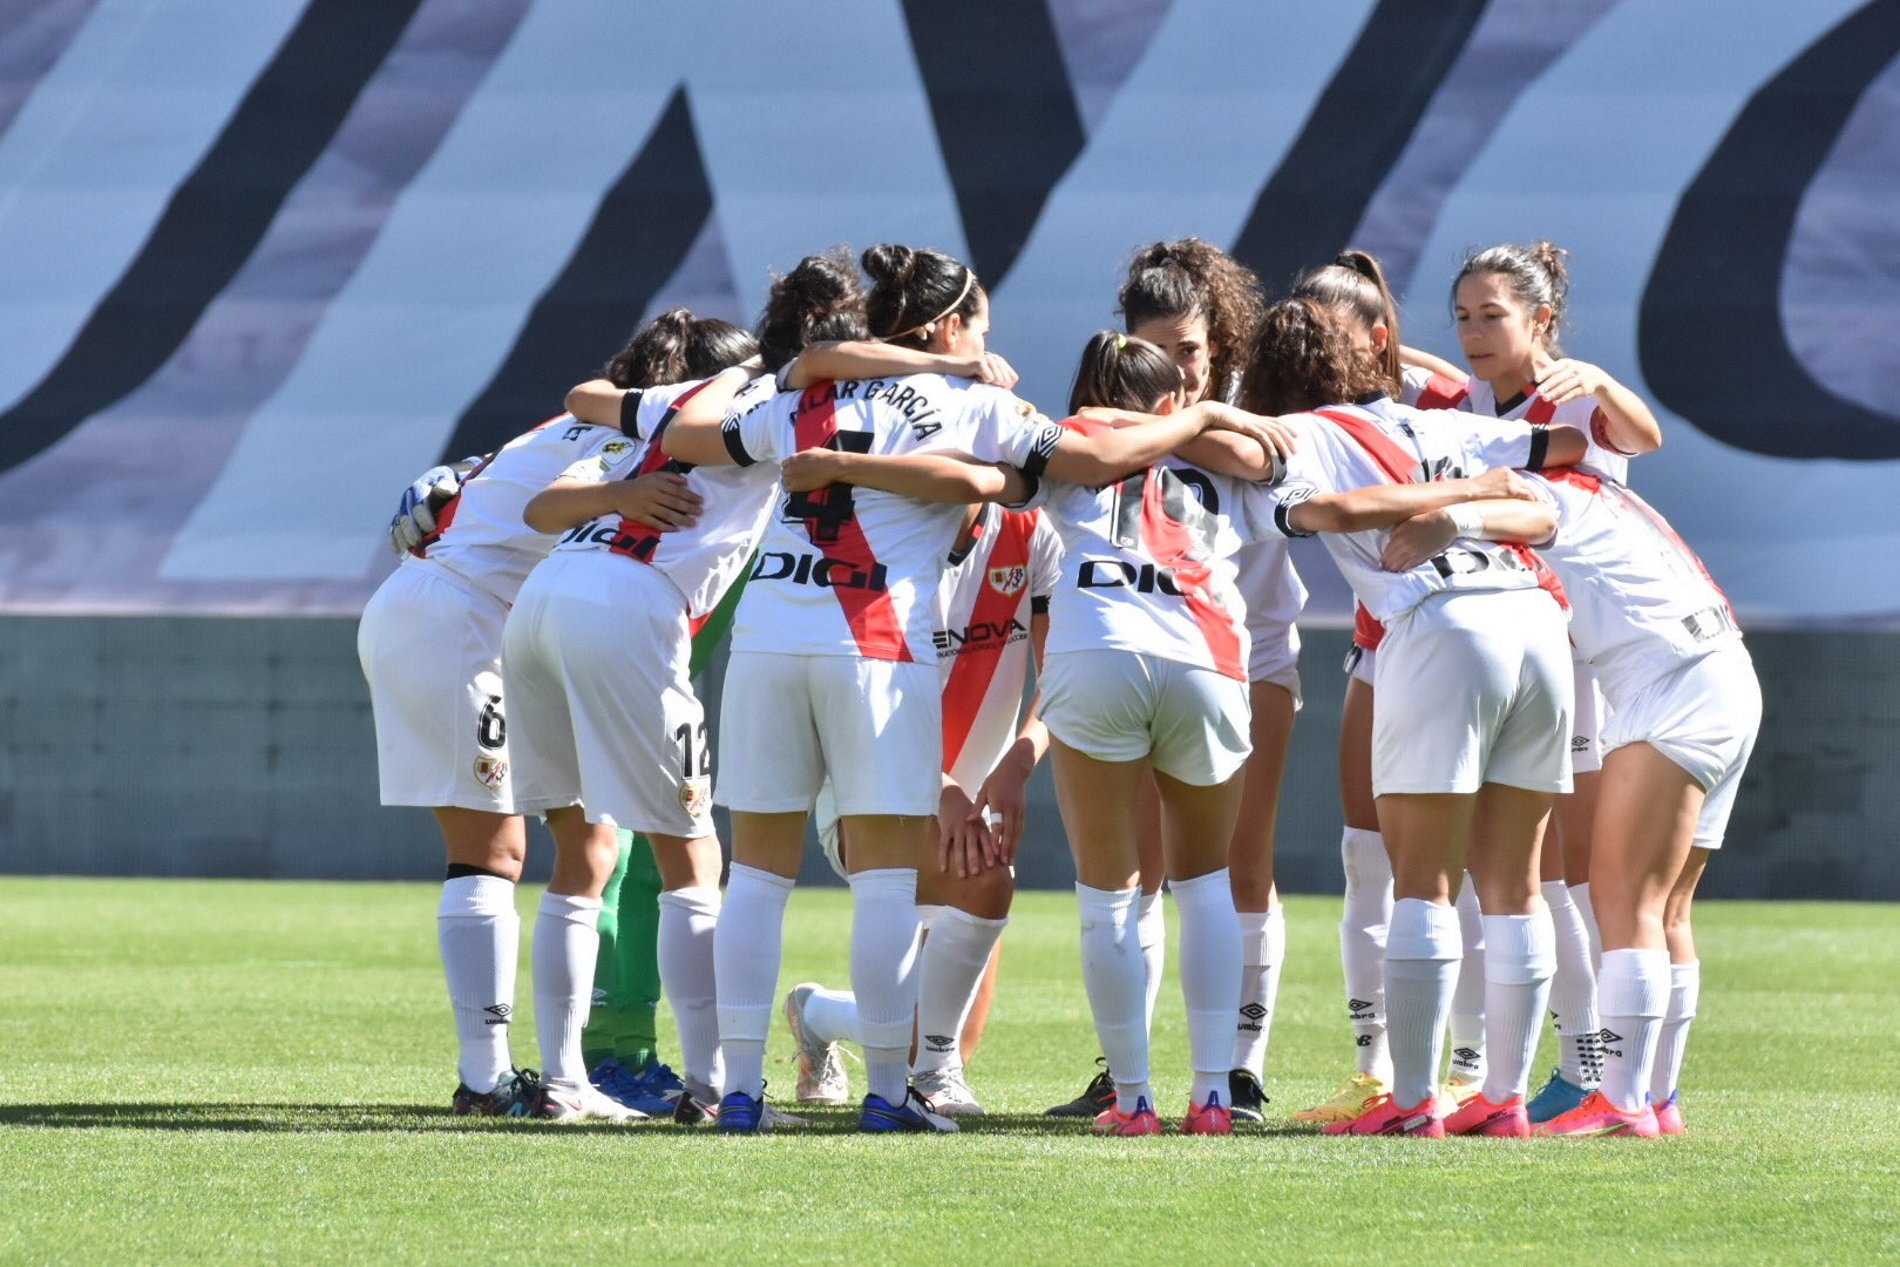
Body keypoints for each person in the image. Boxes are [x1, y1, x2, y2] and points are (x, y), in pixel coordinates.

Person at [661, 244, 1280, 1134]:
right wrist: (1192, 418)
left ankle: (739, 1093)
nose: (993, 346)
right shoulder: (980, 404)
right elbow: (1086, 457)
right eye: (982, 327)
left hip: (765, 639)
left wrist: (790, 386)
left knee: (755, 878)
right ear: (953, 327)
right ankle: (888, 1093)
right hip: (873, 645)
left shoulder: (803, 397)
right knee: (884, 890)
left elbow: (685, 434)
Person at [504, 253, 873, 1124]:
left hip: (544, 603)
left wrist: (623, 489)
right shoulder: (763, 406)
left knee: (584, 854)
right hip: (627, 611)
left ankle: (562, 1082)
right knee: (692, 857)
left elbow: (545, 501)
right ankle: (714, 1085)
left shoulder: (655, 417)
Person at [357, 309, 734, 1121]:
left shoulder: (584, 419)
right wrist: (627, 492)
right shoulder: (627, 436)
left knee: (587, 840)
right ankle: (487, 1080)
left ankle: (555, 1080)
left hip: (471, 616)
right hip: (463, 619)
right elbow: (556, 504)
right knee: (494, 848)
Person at [1242, 296, 1588, 1137]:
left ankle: (1412, 1100)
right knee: (1513, 884)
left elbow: (1314, 513)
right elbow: (1567, 454)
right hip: (1539, 622)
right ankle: (1502, 1100)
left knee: (1422, 880)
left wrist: (1431, 511)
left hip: (1440, 628)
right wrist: (1464, 497)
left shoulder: (1301, 434)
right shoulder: (1438, 419)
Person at [1048, 237, 1290, 1122]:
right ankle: (1213, 1094)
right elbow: (1286, 479)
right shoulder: (1227, 434)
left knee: (1111, 889)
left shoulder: (1073, 430)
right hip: (1207, 658)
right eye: (1171, 357)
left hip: (1101, 646)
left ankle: (1137, 1096)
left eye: (1195, 352)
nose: (1187, 376)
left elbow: (1008, 469)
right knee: (1204, 884)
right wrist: (1201, 423)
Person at [1447, 240, 1665, 1122]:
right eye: (1462, 316)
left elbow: (1644, 437)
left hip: (1582, 659)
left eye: (1492, 315)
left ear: (1541, 319)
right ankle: (1585, 1070)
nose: (1473, 333)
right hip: (1517, 649)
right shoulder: (1470, 400)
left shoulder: (1569, 392)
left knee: (1575, 877)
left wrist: (1605, 381)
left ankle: (1599, 1074)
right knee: (1520, 872)